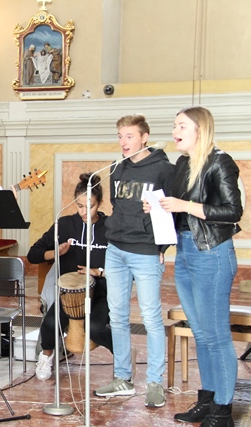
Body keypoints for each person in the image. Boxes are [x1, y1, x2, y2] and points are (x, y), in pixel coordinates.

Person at [146, 107, 242, 426]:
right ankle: (208, 400)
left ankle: (223, 412)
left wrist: (184, 205)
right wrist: (158, 209)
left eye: (181, 126)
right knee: (200, 334)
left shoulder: (220, 162)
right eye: (174, 125)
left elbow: (232, 211)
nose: (174, 131)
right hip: (186, 251)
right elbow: (178, 214)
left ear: (200, 130)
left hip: (212, 253)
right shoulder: (183, 164)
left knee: (216, 335)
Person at [94, 114, 175, 408]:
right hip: (116, 249)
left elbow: (172, 210)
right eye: (120, 136)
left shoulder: (164, 169)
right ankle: (122, 378)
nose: (123, 142)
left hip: (146, 251)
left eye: (129, 136)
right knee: (117, 317)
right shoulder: (117, 168)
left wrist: (162, 245)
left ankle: (155, 382)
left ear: (144, 137)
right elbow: (117, 206)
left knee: (151, 317)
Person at [28, 173, 111, 380]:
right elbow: (33, 254)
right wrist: (56, 253)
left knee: (95, 328)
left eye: (90, 206)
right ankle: (46, 356)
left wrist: (98, 272)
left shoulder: (110, 227)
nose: (84, 212)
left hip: (101, 294)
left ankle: (124, 356)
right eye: (79, 206)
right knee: (49, 324)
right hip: (69, 296)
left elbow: (126, 267)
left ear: (100, 203)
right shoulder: (64, 225)